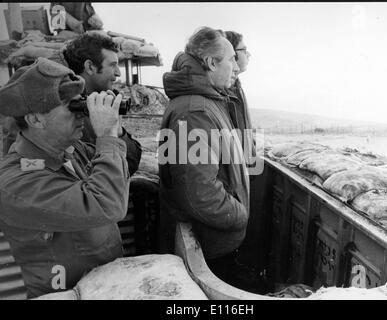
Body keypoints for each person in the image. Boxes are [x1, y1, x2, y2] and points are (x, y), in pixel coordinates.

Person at [0, 58, 130, 298]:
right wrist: (107, 137)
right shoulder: (15, 183)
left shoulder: (70, 149)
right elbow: (108, 205)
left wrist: (114, 131)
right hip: (65, 293)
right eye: (73, 107)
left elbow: (122, 173)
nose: (83, 114)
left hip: (103, 285)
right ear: (35, 119)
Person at [158, 27, 249, 284]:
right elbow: (200, 193)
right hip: (212, 243)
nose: (236, 67)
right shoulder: (195, 112)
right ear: (211, 62)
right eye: (231, 59)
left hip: (213, 238)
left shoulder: (205, 102)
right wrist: (240, 214)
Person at [2, 33, 142, 175]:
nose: (118, 73)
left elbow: (127, 162)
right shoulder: (47, 95)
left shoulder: (76, 89)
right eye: (113, 65)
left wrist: (116, 129)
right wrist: (108, 135)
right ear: (90, 67)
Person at [224, 31, 255, 166]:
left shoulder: (236, 86)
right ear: (232, 54)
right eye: (244, 50)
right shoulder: (225, 90)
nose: (249, 55)